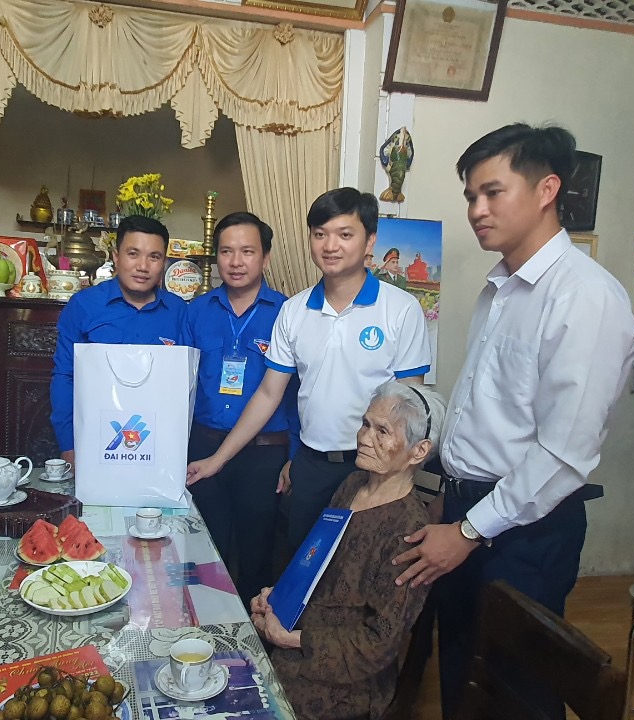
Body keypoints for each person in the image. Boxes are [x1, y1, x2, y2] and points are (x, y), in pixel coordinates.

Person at [390, 123, 634, 718]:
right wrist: (448, 501)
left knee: (513, 690)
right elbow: (486, 412)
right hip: (470, 510)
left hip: (524, 530)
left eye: (493, 192)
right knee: (464, 675)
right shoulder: (499, 289)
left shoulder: (584, 297)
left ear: (547, 189)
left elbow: (562, 454)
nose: (477, 210)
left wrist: (470, 530)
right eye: (471, 196)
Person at [187, 188, 432, 558]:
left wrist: (396, 476)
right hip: (312, 466)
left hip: (375, 469)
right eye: (320, 234)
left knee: (360, 569)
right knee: (302, 568)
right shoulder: (295, 311)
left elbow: (411, 404)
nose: (330, 245)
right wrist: (217, 459)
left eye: (344, 234)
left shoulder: (400, 308)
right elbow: (269, 394)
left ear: (370, 241)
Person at [250, 381, 441, 720]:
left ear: (418, 451)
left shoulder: (408, 530)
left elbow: (379, 643)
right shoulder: (352, 484)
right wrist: (276, 598)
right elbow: (314, 566)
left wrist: (290, 639)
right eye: (365, 424)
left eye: (382, 431)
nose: (364, 438)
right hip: (302, 633)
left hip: (346, 679)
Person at [180, 211, 298, 608]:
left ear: (265, 257)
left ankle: (252, 637)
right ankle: (200, 627)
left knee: (256, 552)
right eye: (226, 251)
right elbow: (179, 382)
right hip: (203, 444)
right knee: (202, 547)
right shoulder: (196, 310)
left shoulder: (288, 313)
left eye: (247, 251)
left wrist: (294, 456)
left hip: (264, 453)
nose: (235, 261)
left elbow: (300, 393)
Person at [49, 215, 185, 468]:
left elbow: (185, 384)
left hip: (158, 442)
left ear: (164, 262)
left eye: (154, 257)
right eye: (133, 254)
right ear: (116, 256)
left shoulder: (179, 311)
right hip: (96, 436)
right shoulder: (84, 305)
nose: (142, 266)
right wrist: (68, 444)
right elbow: (65, 376)